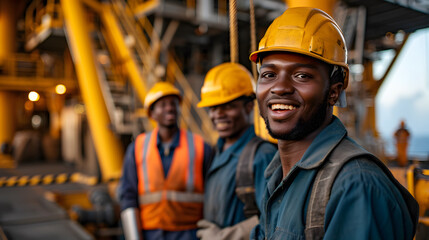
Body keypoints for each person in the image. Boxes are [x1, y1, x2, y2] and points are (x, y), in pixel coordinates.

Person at [248, 7, 419, 239]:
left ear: (334, 92)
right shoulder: (277, 174)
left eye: (302, 76)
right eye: (268, 75)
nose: (280, 87)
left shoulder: (356, 186)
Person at [118, 81, 213, 240]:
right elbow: (128, 195)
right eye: (162, 104)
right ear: (152, 113)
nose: (169, 108)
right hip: (150, 234)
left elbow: (213, 195)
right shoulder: (137, 148)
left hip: (190, 234)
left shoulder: (200, 147)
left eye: (173, 104)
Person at [196, 62, 277, 240]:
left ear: (249, 106)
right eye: (213, 108)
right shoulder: (215, 153)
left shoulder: (262, 156)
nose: (218, 114)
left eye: (228, 106)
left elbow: (275, 220)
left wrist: (225, 236)